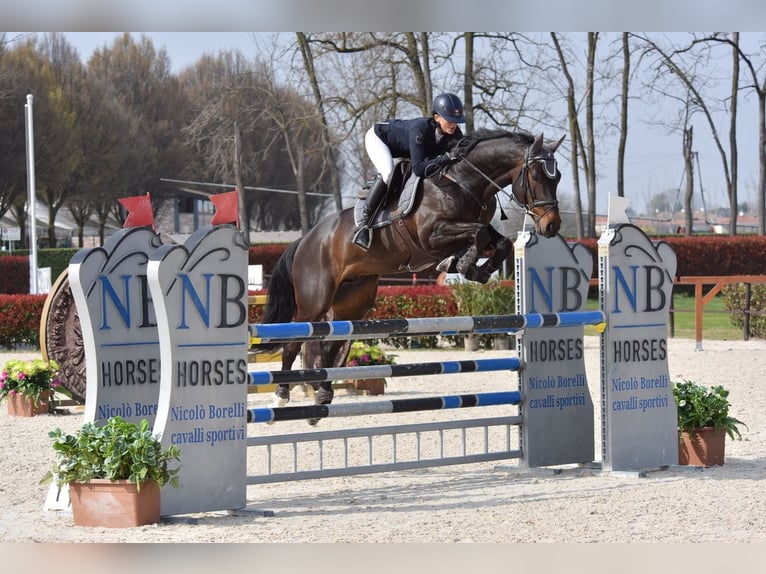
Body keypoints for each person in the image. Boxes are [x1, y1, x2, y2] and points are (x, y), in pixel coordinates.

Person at [351, 92, 467, 251]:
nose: (454, 124)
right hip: (379, 138)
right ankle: (364, 225)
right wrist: (447, 158)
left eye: (456, 121)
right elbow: (419, 169)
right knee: (388, 172)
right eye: (450, 120)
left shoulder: (454, 134)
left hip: (404, 149)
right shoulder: (420, 130)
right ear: (437, 117)